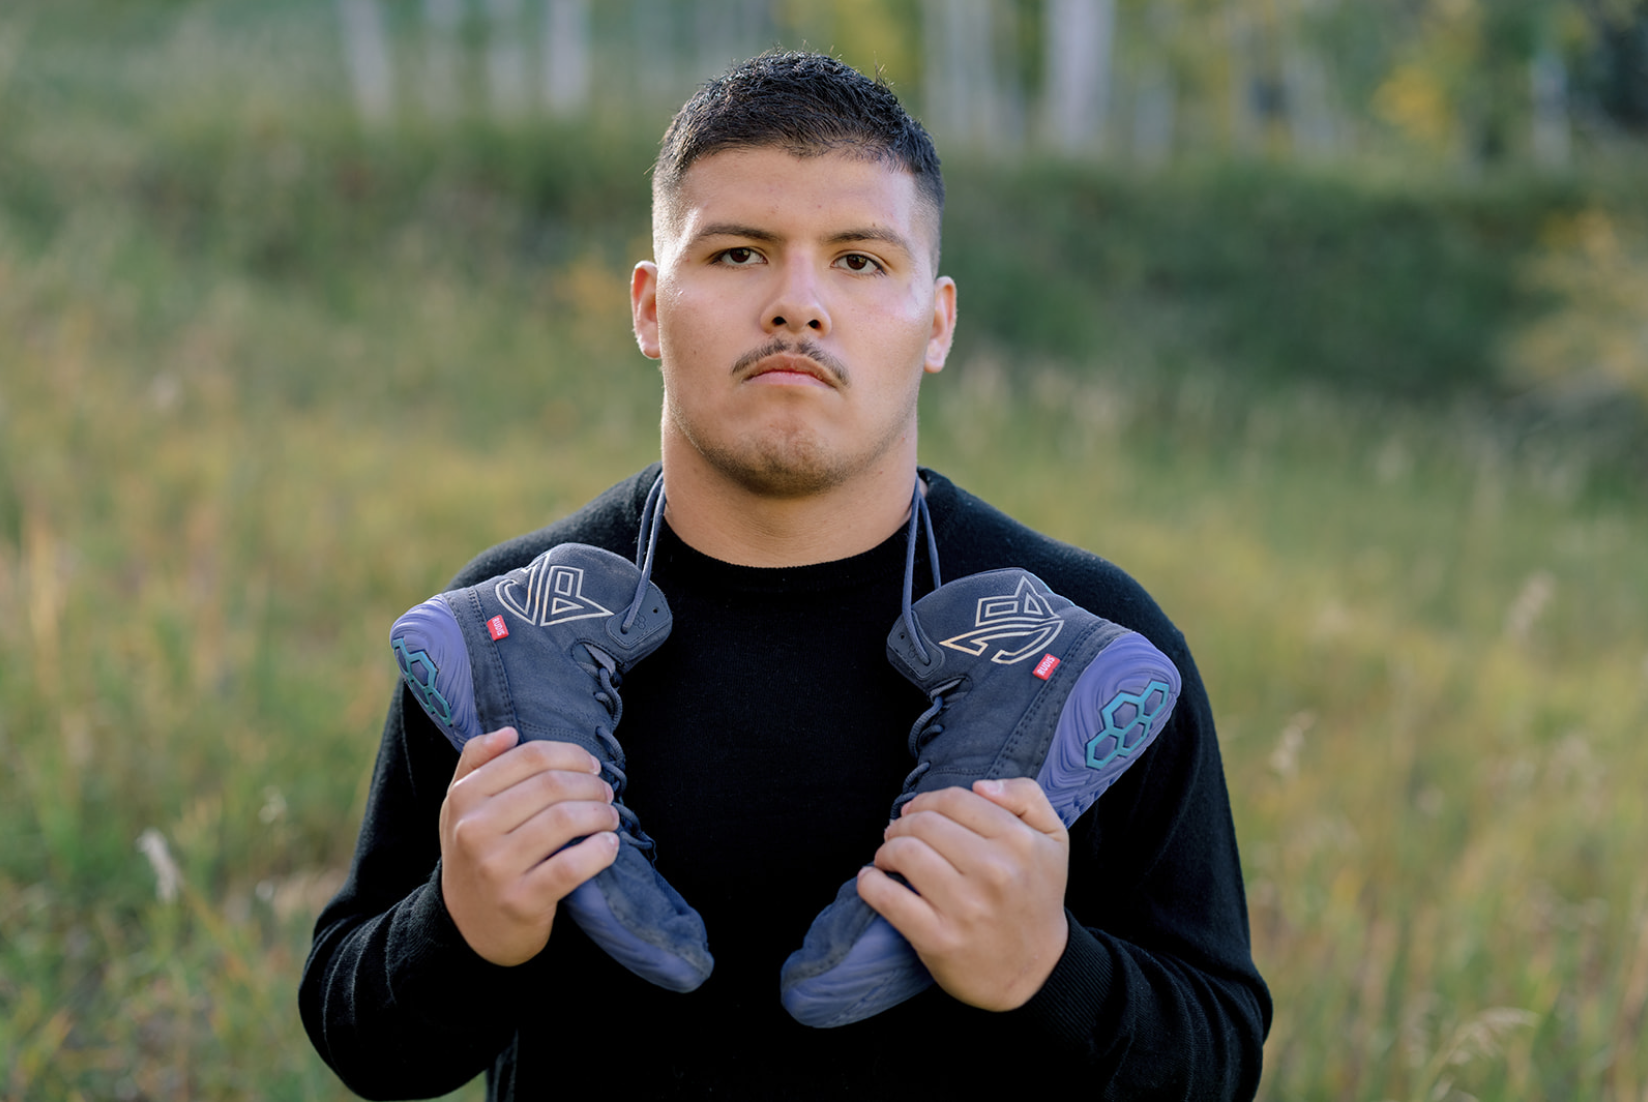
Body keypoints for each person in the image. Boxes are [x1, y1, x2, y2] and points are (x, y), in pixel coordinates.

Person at [300, 51, 1270, 1099]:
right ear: (648, 307)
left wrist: (1049, 973)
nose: (797, 305)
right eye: (737, 254)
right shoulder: (501, 630)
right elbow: (361, 1035)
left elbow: (1218, 1055)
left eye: (859, 261)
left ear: (936, 322)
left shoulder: (1095, 647)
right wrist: (458, 930)